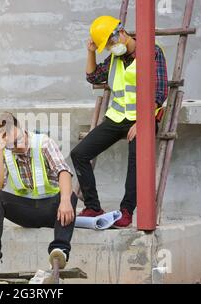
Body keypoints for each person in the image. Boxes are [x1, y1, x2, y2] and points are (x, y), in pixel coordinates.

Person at [71, 15, 168, 228]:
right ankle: (93, 206)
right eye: (108, 46)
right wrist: (91, 52)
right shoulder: (115, 58)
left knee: (136, 159)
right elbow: (93, 77)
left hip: (144, 118)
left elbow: (160, 92)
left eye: (112, 43)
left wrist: (142, 123)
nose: (111, 48)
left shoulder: (152, 52)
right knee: (79, 154)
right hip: (116, 117)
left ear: (121, 33)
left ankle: (126, 211)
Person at [0, 112, 77, 272]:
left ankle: (59, 252)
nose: (20, 145)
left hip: (54, 210)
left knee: (70, 194)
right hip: (27, 211)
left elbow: (63, 171)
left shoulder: (43, 142)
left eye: (19, 138)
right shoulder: (4, 152)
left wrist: (65, 200)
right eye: (14, 144)